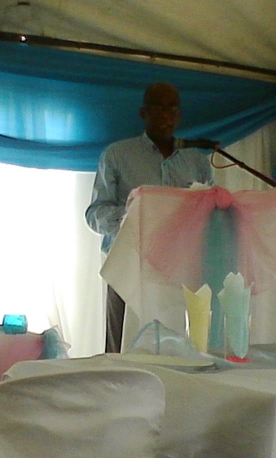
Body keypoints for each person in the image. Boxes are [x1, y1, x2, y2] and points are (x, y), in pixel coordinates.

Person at [85, 81, 214, 352]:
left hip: (181, 270)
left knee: (180, 348)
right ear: (143, 113)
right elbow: (95, 214)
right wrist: (137, 215)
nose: (166, 115)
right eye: (158, 107)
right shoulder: (117, 155)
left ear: (179, 115)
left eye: (172, 109)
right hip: (129, 266)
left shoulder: (197, 161)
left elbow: (209, 213)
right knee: (121, 348)